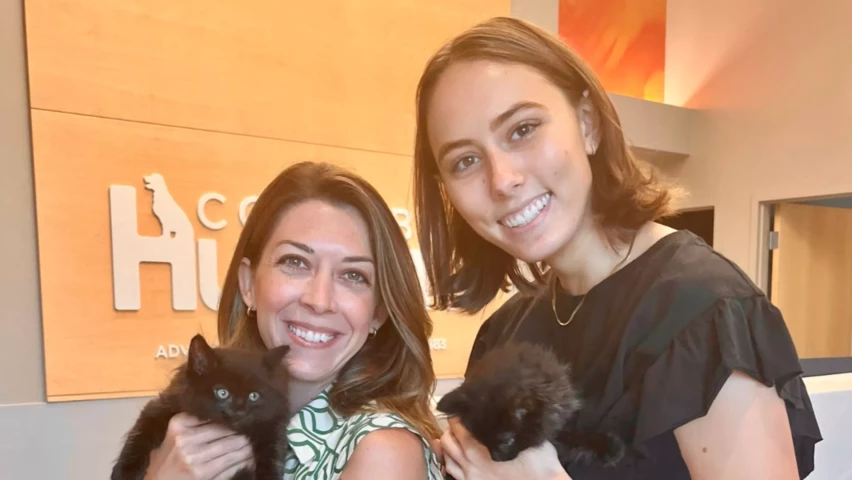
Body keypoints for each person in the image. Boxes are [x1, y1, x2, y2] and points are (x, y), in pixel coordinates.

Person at [412, 16, 822, 480]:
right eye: (465, 160)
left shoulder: (703, 314)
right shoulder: (505, 333)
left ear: (588, 123)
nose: (502, 180)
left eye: (523, 129)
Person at [142, 161, 444, 479]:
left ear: (378, 312)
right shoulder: (200, 424)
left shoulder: (382, 451)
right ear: (248, 284)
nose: (319, 300)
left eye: (353, 275)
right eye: (295, 262)